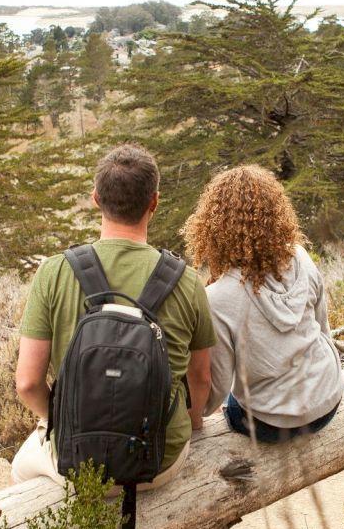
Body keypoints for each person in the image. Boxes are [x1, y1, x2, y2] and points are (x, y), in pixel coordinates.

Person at [12, 144, 216, 486]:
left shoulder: (54, 272)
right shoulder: (186, 281)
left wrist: (64, 424)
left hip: (79, 459)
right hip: (160, 461)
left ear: (96, 199)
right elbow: (201, 378)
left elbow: (28, 383)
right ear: (154, 201)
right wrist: (193, 423)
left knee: (19, 470)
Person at [183, 164, 344, 442]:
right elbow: (323, 328)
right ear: (277, 215)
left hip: (272, 423)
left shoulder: (218, 297)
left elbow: (218, 385)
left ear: (213, 229)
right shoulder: (300, 257)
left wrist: (202, 411)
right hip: (329, 399)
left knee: (234, 405)